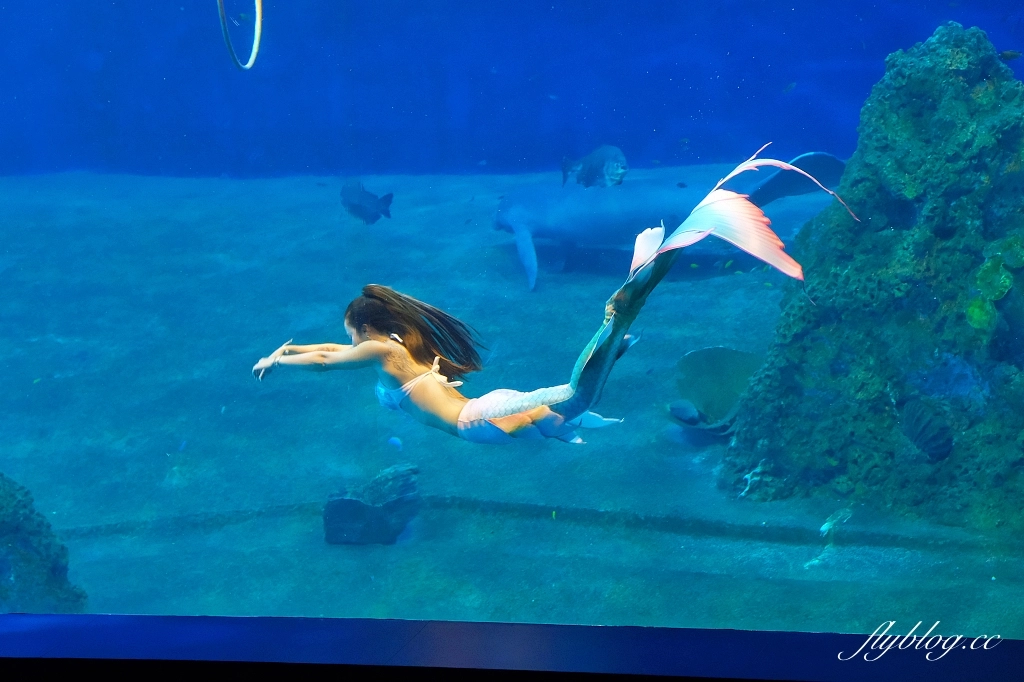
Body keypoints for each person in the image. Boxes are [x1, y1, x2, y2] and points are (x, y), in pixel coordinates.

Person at [252, 148, 855, 445]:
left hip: (481, 415)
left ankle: (616, 328)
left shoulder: (386, 355)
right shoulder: (406, 351)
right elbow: (337, 352)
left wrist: (283, 355)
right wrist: (289, 349)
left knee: (567, 399)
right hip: (488, 408)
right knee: (562, 403)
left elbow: (334, 356)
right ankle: (614, 333)